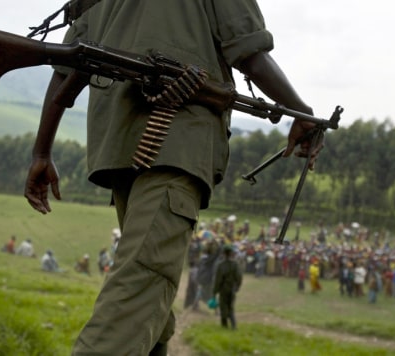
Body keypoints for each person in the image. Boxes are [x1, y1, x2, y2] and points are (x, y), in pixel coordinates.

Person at [23, 1, 319, 354]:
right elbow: (250, 54)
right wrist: (303, 113)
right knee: (140, 286)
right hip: (177, 144)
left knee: (148, 293)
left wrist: (42, 152)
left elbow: (65, 70)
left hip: (118, 147)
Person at [212, 245, 242, 329]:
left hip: (223, 289)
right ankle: (233, 325)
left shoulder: (220, 265)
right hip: (232, 288)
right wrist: (237, 287)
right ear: (231, 253)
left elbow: (217, 280)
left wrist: (214, 292)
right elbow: (239, 277)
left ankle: (224, 325)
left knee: (223, 307)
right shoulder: (235, 264)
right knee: (231, 307)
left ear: (224, 254)